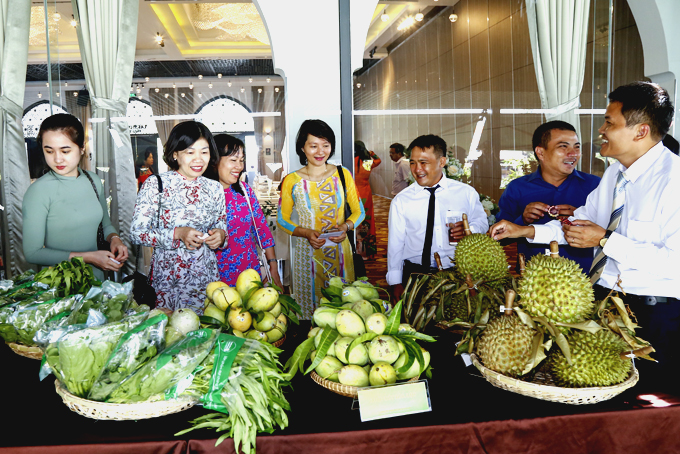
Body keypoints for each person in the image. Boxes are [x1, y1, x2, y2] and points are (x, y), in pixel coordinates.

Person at [490, 81, 680, 391]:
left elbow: (675, 263)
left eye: (609, 122)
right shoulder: (615, 175)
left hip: (656, 316)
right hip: (607, 305)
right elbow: (580, 224)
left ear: (641, 132)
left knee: (652, 407)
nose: (601, 131)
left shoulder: (675, 181)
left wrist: (605, 239)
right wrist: (523, 230)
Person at [130, 121, 227, 313]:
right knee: (172, 336)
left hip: (206, 279)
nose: (198, 159)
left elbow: (221, 224)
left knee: (206, 333)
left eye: (204, 152)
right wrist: (177, 233)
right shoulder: (156, 184)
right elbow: (136, 233)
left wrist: (221, 236)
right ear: (175, 154)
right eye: (190, 152)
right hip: (169, 280)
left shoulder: (214, 187)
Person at [22, 113, 128, 281]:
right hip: (60, 285)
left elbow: (105, 224)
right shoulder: (38, 191)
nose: (57, 158)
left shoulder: (92, 180)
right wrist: (89, 257)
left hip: (97, 278)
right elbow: (32, 253)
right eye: (49, 151)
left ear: (82, 148)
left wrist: (115, 239)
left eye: (65, 150)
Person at [277, 119, 365, 319]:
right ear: (303, 148)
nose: (320, 151)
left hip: (340, 255)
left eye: (325, 145)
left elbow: (359, 212)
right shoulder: (292, 180)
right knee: (309, 315)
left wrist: (345, 226)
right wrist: (305, 233)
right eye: (313, 145)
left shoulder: (343, 174)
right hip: (306, 257)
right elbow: (282, 219)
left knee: (343, 316)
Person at [387, 134, 488, 300]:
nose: (417, 169)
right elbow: (395, 244)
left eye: (423, 163)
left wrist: (469, 229)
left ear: (442, 162)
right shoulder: (401, 200)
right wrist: (395, 281)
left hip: (458, 274)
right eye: (412, 162)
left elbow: (481, 222)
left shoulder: (465, 193)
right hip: (415, 274)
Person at [496, 121, 600, 272]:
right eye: (563, 146)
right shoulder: (517, 188)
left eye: (577, 147)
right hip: (533, 281)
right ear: (541, 152)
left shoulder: (595, 186)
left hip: (585, 281)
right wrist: (522, 221)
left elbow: (610, 231)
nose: (573, 153)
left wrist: (582, 216)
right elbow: (499, 238)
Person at [210, 134, 282, 288]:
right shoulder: (203, 196)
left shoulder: (244, 191)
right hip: (215, 278)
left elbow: (261, 230)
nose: (239, 166)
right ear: (215, 161)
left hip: (249, 274)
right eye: (233, 160)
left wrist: (273, 265)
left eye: (241, 160)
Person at [354, 140, 381, 259]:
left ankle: (356, 248)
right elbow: (378, 160)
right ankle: (366, 251)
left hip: (354, 192)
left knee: (355, 218)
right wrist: (371, 152)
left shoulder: (351, 161)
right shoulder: (367, 162)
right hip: (366, 192)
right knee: (367, 219)